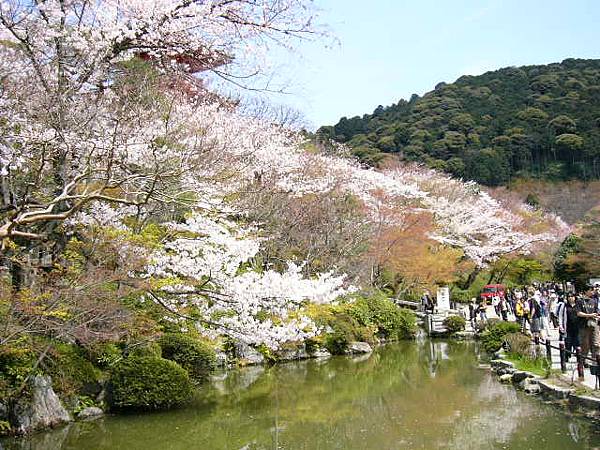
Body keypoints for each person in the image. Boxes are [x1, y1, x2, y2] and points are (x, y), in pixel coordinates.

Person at [575, 291, 600, 360]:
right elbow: (578, 313)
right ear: (586, 291)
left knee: (596, 344)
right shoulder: (579, 301)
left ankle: (596, 361)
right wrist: (589, 315)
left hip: (594, 325)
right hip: (583, 326)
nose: (592, 291)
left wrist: (597, 316)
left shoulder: (594, 301)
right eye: (590, 290)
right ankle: (583, 361)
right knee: (585, 345)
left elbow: (597, 312)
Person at [557, 293, 579, 360]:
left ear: (575, 297)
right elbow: (560, 316)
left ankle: (579, 358)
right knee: (568, 342)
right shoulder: (564, 305)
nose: (570, 298)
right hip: (568, 327)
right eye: (569, 296)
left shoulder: (578, 305)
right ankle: (567, 356)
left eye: (572, 296)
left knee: (577, 342)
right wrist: (560, 325)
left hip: (577, 327)